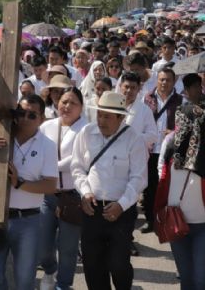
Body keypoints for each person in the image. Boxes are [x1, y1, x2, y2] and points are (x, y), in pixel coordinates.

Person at [0, 94, 59, 290]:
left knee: (24, 280)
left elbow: (50, 186)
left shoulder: (47, 145)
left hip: (28, 221)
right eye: (21, 113)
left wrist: (20, 183)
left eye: (32, 115)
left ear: (41, 119)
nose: (24, 118)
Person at [70, 92, 148, 290]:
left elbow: (139, 178)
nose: (101, 121)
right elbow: (77, 167)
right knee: (92, 264)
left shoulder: (134, 139)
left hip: (121, 211)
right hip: (91, 208)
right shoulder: (86, 133)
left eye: (107, 116)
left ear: (121, 118)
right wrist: (85, 192)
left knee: (118, 264)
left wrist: (121, 205)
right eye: (100, 115)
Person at [154, 104, 205, 290]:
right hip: (176, 223)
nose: (178, 129)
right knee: (187, 280)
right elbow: (163, 175)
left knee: (203, 281)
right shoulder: (173, 146)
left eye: (183, 124)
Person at [39, 88, 89, 290]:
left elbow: (78, 160)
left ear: (81, 108)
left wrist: (49, 166)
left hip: (72, 196)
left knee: (67, 248)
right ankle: (50, 270)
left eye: (73, 103)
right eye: (63, 101)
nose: (66, 106)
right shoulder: (46, 126)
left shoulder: (87, 129)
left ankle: (63, 285)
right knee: (42, 245)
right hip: (47, 194)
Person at [142, 68, 183, 233]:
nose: (164, 83)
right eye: (161, 79)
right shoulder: (147, 99)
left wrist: (174, 132)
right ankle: (150, 220)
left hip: (170, 150)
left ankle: (168, 220)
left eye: (168, 80)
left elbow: (185, 125)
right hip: (150, 150)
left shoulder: (181, 100)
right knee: (149, 187)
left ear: (174, 82)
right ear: (156, 81)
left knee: (169, 187)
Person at [120, 72, 159, 153]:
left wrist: (132, 137)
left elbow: (153, 136)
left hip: (135, 154)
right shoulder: (112, 106)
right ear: (120, 86)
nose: (129, 90)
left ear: (138, 89)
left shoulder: (145, 110)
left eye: (133, 88)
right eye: (126, 87)